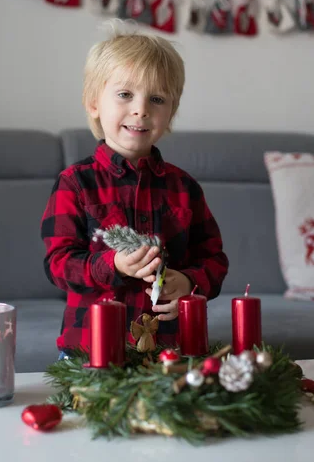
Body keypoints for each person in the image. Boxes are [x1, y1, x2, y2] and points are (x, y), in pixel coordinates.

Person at [41, 22, 229, 355]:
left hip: (170, 351)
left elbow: (213, 258)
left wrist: (188, 283)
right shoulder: (75, 183)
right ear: (94, 103)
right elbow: (58, 264)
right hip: (91, 351)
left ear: (171, 113)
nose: (141, 109)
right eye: (125, 94)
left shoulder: (185, 188)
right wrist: (111, 265)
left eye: (157, 99)